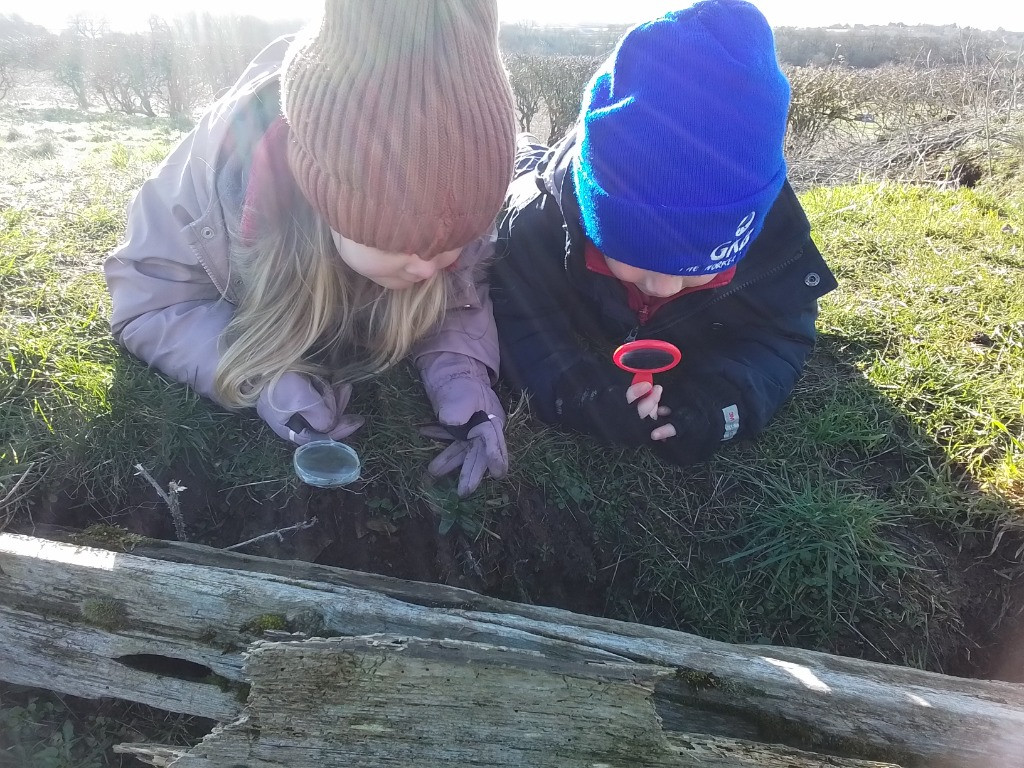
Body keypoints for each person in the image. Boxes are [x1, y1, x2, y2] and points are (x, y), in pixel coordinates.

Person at [104, 0, 516, 497]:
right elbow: (149, 305)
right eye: (401, 240)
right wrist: (263, 378)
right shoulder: (205, 191)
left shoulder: (462, 176)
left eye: (453, 241)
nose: (430, 266)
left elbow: (460, 291)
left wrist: (461, 377)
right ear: (325, 196)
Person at [490, 0, 838, 466]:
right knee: (515, 160)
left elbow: (780, 338)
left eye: (702, 267)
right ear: (595, 221)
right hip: (533, 176)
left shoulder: (771, 246)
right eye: (637, 256)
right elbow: (521, 324)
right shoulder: (534, 229)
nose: (662, 286)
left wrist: (721, 405)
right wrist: (579, 394)